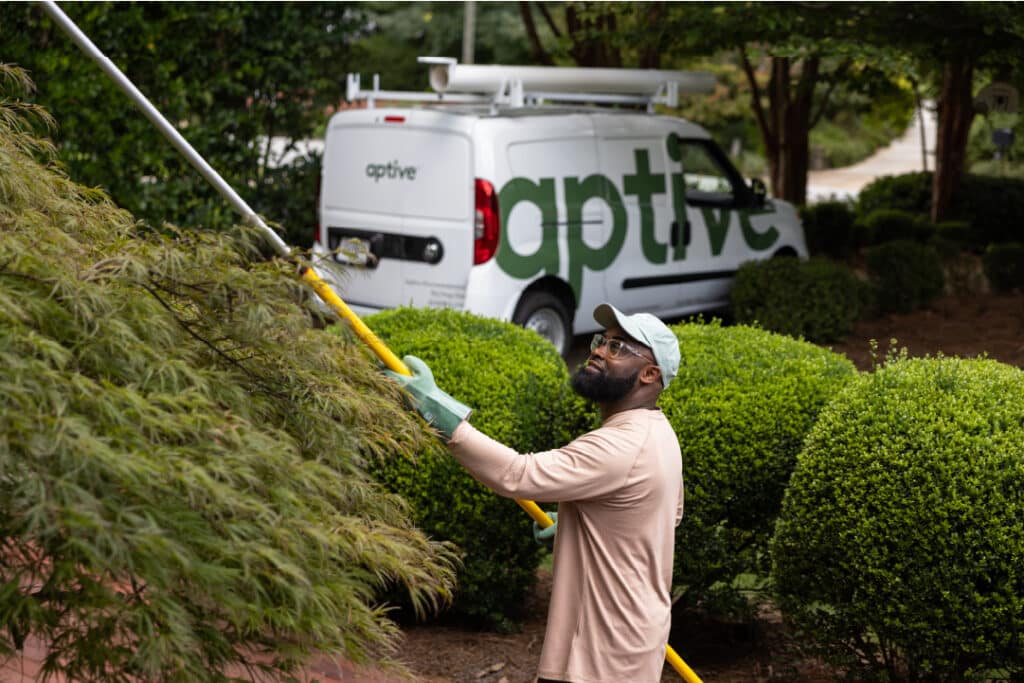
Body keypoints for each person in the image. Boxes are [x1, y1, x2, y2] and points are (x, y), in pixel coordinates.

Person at [386, 303, 684, 683]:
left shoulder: (623, 445)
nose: (598, 350)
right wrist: (580, 525)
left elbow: (516, 474)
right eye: (602, 341)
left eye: (618, 348)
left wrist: (439, 412)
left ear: (649, 374)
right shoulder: (659, 435)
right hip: (628, 647)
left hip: (598, 660)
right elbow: (661, 516)